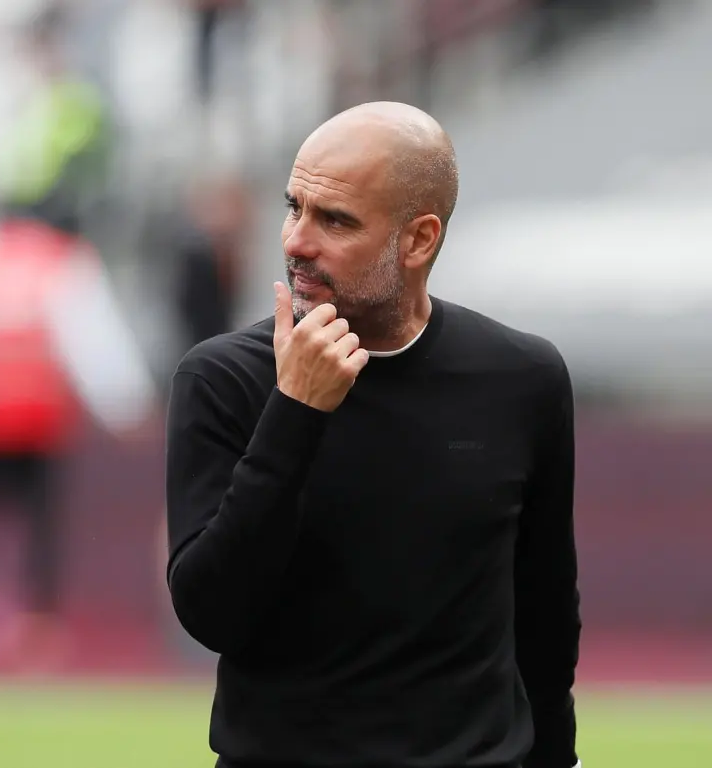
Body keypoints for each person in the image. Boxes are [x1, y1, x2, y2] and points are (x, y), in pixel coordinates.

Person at [164, 101, 581, 768]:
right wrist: (295, 411)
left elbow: (546, 613)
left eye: (335, 220)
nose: (296, 241)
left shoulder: (522, 377)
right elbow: (211, 613)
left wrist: (558, 757)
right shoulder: (223, 378)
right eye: (294, 207)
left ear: (418, 241)